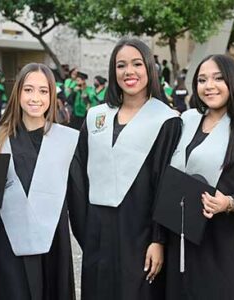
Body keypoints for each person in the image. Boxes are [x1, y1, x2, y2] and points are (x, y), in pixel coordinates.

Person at [67, 37, 181, 300]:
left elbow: (165, 186)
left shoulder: (166, 121)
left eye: (137, 64)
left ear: (150, 68)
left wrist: (158, 239)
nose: (129, 72)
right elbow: (78, 175)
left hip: (139, 233)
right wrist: (85, 228)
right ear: (112, 71)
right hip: (97, 232)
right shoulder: (96, 116)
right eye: (121, 65)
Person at [0, 63, 78, 300]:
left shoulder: (67, 140)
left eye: (43, 91)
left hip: (53, 241)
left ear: (52, 95)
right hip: (9, 241)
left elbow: (79, 199)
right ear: (17, 93)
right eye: (28, 90)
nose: (35, 98)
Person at [165, 54, 234, 299]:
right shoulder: (186, 121)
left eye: (218, 78)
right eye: (202, 80)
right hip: (181, 235)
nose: (209, 86)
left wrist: (230, 203)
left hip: (222, 242)